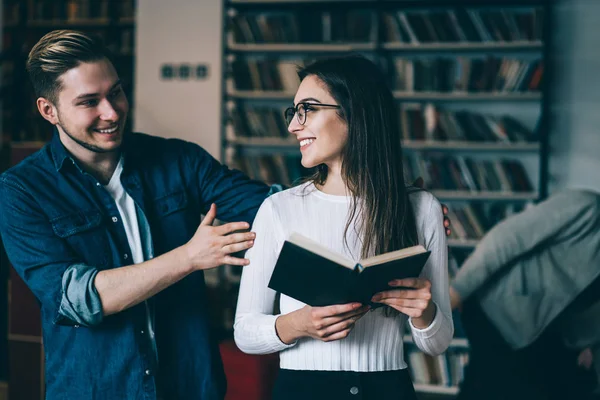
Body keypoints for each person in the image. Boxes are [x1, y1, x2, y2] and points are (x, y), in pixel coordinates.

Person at [0, 31, 452, 399]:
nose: (112, 111)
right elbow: (76, 299)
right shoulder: (21, 192)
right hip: (97, 390)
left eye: (116, 92)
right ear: (48, 110)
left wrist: (390, 202)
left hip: (191, 385)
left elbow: (270, 205)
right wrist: (189, 257)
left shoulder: (179, 161)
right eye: (89, 102)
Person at [233, 55, 454, 400]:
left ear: (355, 113)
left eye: (308, 109)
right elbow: (244, 332)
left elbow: (438, 343)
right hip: (301, 390)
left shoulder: (421, 208)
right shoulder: (278, 208)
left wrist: (424, 313)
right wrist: (297, 324)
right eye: (293, 112)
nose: (293, 125)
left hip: (388, 388)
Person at [449, 189, 600, 400]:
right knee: (497, 386)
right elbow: (506, 238)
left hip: (547, 336)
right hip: (497, 308)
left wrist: (591, 350)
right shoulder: (588, 208)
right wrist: (458, 290)